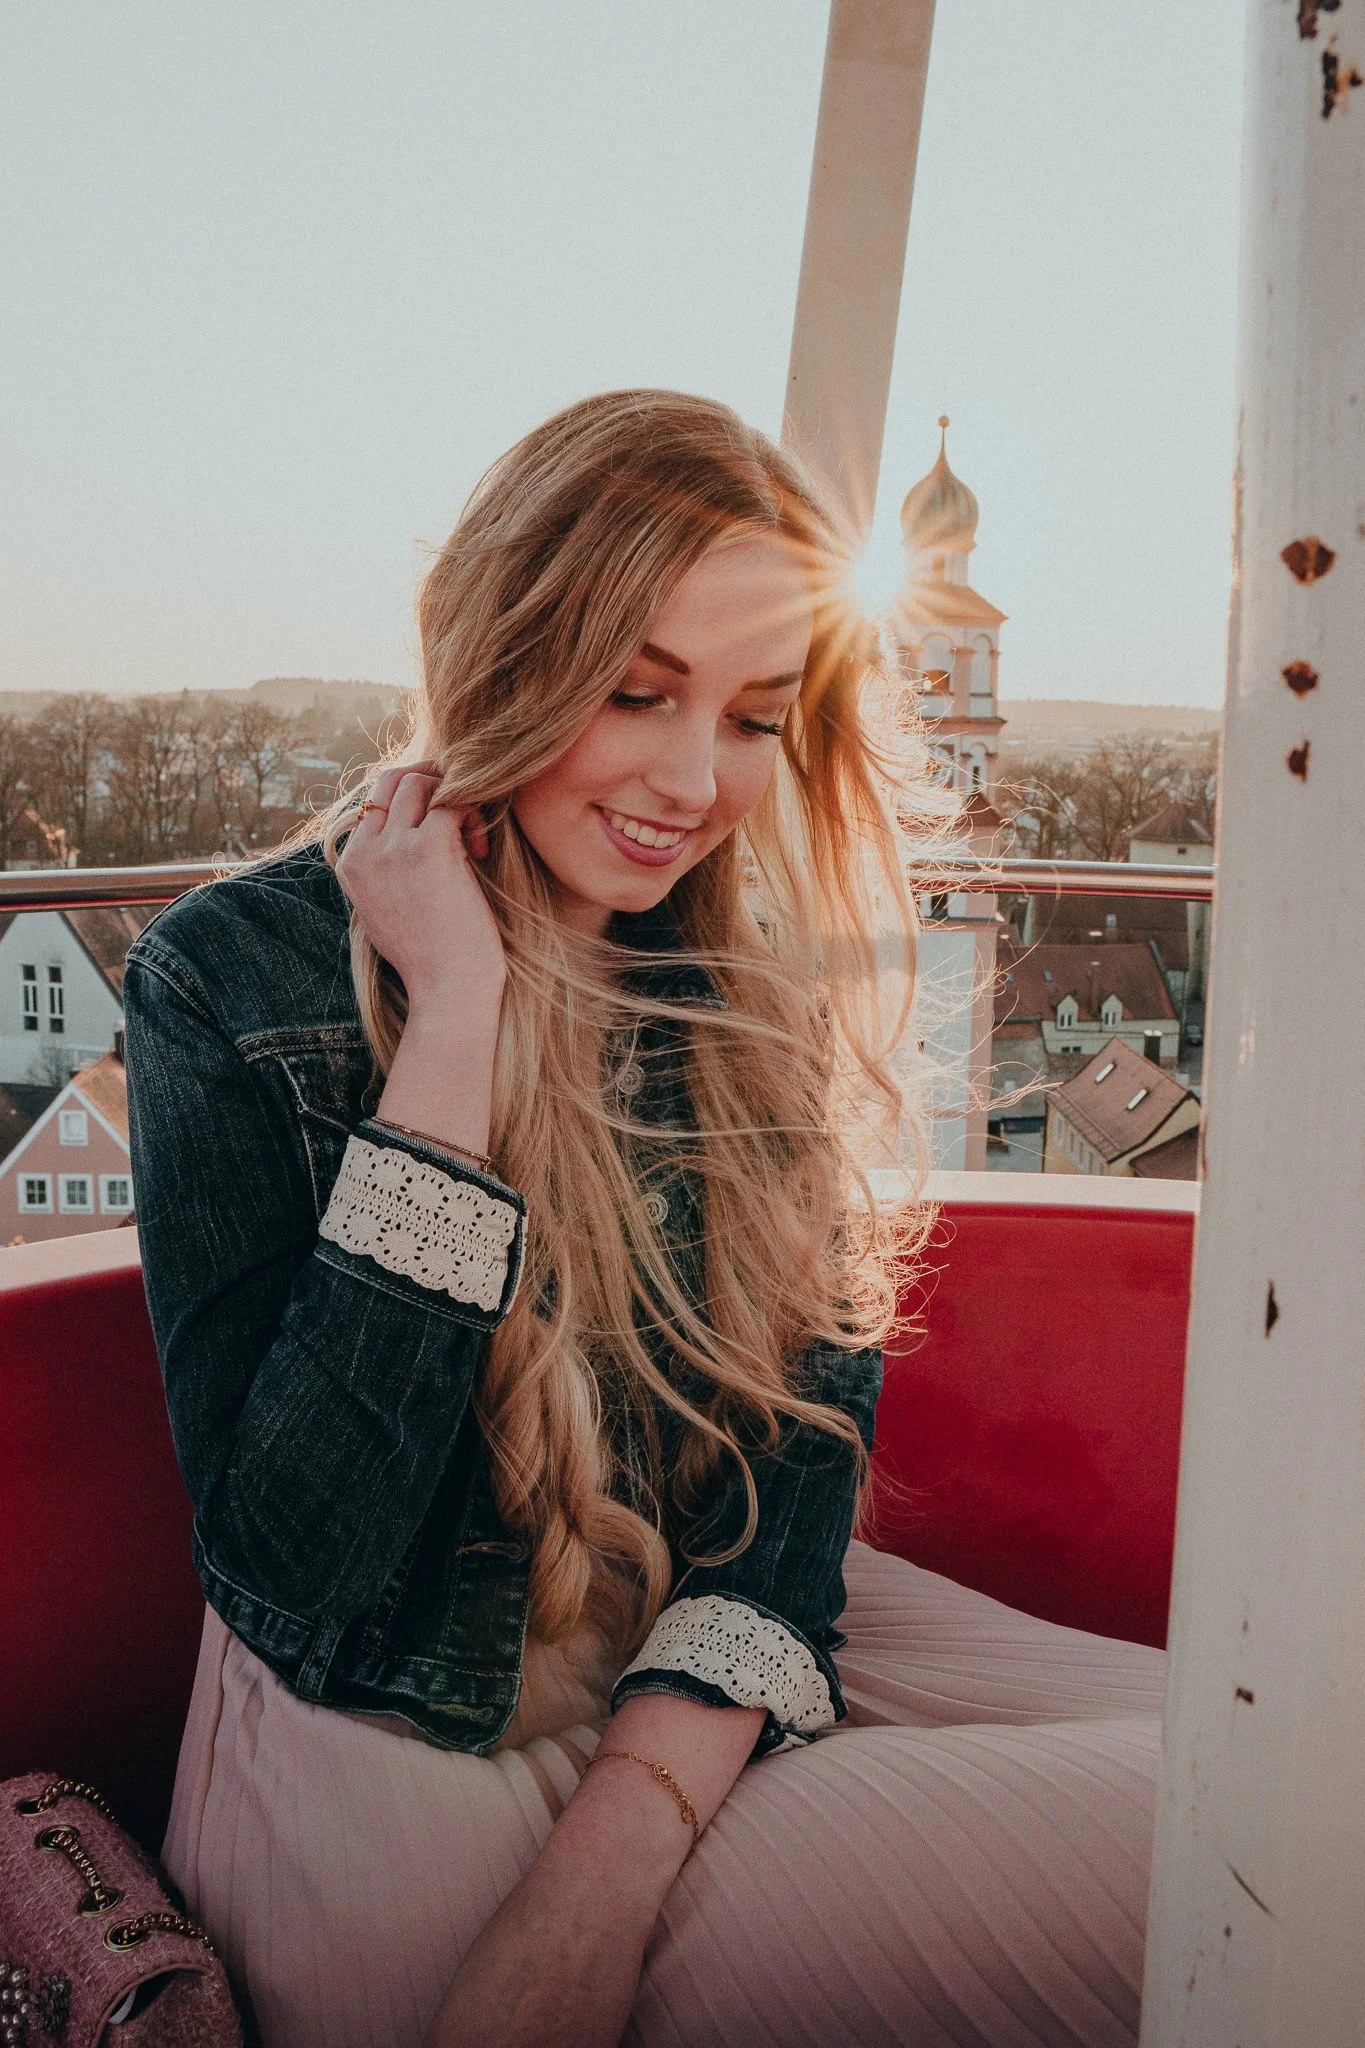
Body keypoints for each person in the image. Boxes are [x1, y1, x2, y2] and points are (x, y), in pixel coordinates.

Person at [124, 391, 1165, 2048]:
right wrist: (452, 1024)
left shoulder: (733, 983)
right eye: (637, 692)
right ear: (509, 655)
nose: (696, 784)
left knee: (1285, 1754)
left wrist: (612, 1860)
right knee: (1219, 1846)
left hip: (702, 1633)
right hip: (406, 1730)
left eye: (758, 716)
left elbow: (799, 1465)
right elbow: (300, 1572)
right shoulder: (234, 983)